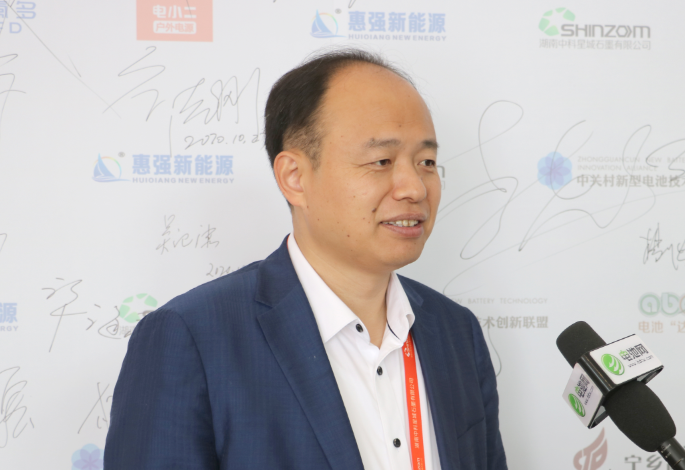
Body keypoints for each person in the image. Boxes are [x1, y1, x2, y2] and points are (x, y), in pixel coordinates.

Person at [105, 48, 507, 470]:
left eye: (426, 162)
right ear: (294, 178)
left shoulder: (455, 333)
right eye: (382, 161)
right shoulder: (194, 337)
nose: (415, 188)